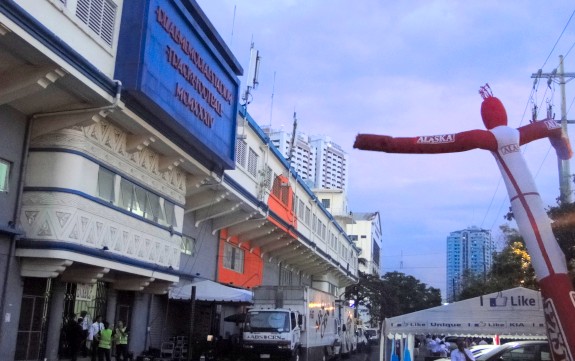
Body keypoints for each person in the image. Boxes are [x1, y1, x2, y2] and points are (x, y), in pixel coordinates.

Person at [354, 84, 575, 357]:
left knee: (551, 267)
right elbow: (557, 132)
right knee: (555, 262)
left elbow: (419, 143)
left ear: (487, 118)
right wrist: (564, 150)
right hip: (534, 205)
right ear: (503, 114)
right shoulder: (526, 131)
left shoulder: (484, 137)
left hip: (524, 207)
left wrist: (368, 141)